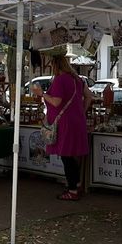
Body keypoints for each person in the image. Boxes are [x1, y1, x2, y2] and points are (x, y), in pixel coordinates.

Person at [32, 54, 93, 200]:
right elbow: (89, 96)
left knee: (67, 156)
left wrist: (42, 94)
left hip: (65, 123)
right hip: (77, 121)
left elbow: (56, 102)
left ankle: (72, 190)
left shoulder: (60, 80)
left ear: (55, 65)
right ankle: (76, 185)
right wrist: (81, 111)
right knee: (72, 155)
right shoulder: (78, 79)